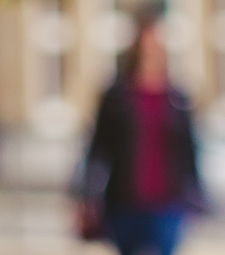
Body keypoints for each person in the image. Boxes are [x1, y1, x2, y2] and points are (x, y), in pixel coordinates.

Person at [77, 13, 204, 255]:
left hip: (168, 199)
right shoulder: (116, 97)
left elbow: (190, 147)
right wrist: (87, 194)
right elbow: (98, 148)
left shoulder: (176, 98)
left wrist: (197, 190)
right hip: (124, 198)